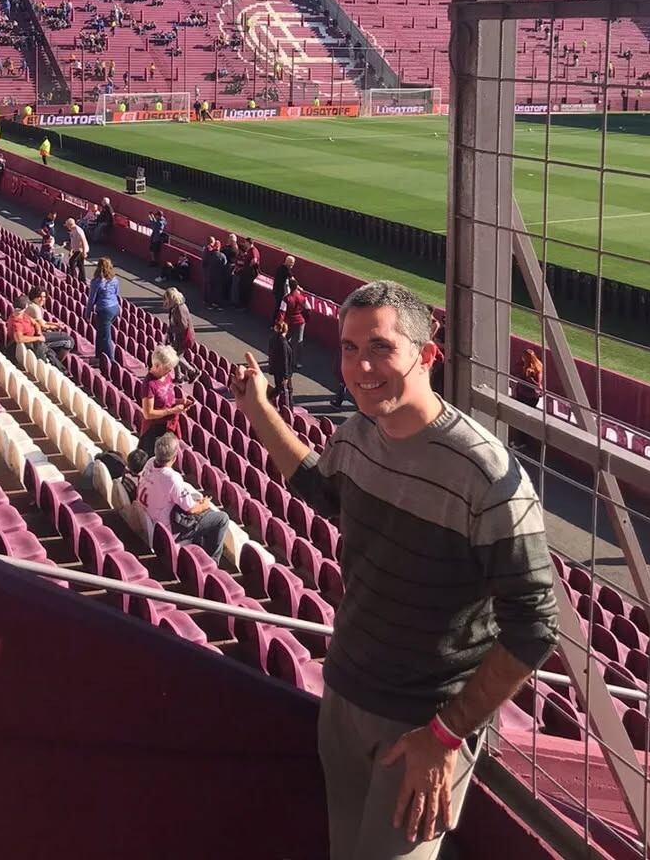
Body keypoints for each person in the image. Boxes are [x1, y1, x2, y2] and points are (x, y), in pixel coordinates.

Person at [231, 279, 559, 859]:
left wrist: (446, 734)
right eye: (350, 348)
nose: (360, 367)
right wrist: (256, 406)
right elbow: (320, 486)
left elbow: (534, 625)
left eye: (380, 348)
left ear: (426, 354)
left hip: (421, 727)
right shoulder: (357, 433)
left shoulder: (486, 474)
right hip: (345, 697)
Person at [137, 433, 229, 560]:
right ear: (174, 457)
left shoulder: (150, 462)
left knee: (195, 503)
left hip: (149, 517)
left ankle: (198, 545)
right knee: (221, 518)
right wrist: (204, 504)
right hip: (166, 528)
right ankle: (212, 562)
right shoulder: (171, 478)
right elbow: (191, 509)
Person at [138, 345, 192, 456]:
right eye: (167, 367)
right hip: (154, 432)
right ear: (157, 365)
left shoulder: (166, 376)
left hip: (168, 427)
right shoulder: (149, 384)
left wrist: (179, 402)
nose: (170, 370)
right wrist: (172, 410)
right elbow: (148, 413)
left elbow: (166, 400)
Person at [25, 287, 74, 367]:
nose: (42, 299)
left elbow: (43, 321)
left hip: (35, 334)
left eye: (44, 297)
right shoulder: (35, 308)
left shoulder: (33, 305)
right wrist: (54, 327)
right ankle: (57, 363)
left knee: (60, 335)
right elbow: (43, 326)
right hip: (36, 338)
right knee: (69, 341)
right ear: (34, 297)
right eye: (39, 297)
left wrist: (56, 324)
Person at [85, 256, 121, 363]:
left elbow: (91, 299)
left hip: (104, 310)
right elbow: (116, 293)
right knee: (101, 333)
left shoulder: (96, 282)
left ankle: (111, 360)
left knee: (105, 336)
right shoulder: (115, 279)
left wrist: (87, 314)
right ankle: (98, 355)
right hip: (115, 307)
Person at [278, 277, 308, 368]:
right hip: (300, 322)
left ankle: (283, 357)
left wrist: (280, 323)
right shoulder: (302, 298)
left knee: (284, 339)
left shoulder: (286, 298)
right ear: (296, 287)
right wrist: (305, 318)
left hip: (289, 322)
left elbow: (282, 312)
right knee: (299, 341)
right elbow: (308, 308)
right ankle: (298, 362)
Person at [268, 319, 295, 411]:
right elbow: (285, 360)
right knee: (288, 391)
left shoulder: (274, 338)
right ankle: (289, 411)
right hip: (282, 372)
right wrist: (286, 376)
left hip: (276, 369)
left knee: (279, 388)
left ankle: (268, 399)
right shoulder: (283, 343)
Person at [202, 236, 227, 311]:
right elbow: (225, 264)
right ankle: (218, 304)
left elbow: (204, 262)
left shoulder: (209, 254)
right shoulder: (222, 255)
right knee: (218, 290)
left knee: (211, 289)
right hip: (218, 276)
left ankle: (210, 304)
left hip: (210, 274)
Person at [64, 216, 89, 281]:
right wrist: (71, 251)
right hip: (76, 249)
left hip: (80, 250)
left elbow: (83, 241)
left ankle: (72, 276)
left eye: (67, 225)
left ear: (70, 225)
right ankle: (82, 279)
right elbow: (73, 241)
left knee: (71, 261)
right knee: (80, 265)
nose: (67, 227)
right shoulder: (72, 230)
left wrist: (84, 252)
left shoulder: (78, 231)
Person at [272, 254, 296, 321]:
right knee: (279, 308)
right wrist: (299, 287)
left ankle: (274, 322)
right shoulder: (286, 270)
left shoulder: (280, 267)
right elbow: (293, 280)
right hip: (280, 292)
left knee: (278, 307)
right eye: (292, 263)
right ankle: (275, 323)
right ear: (287, 262)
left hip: (276, 289)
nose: (293, 264)